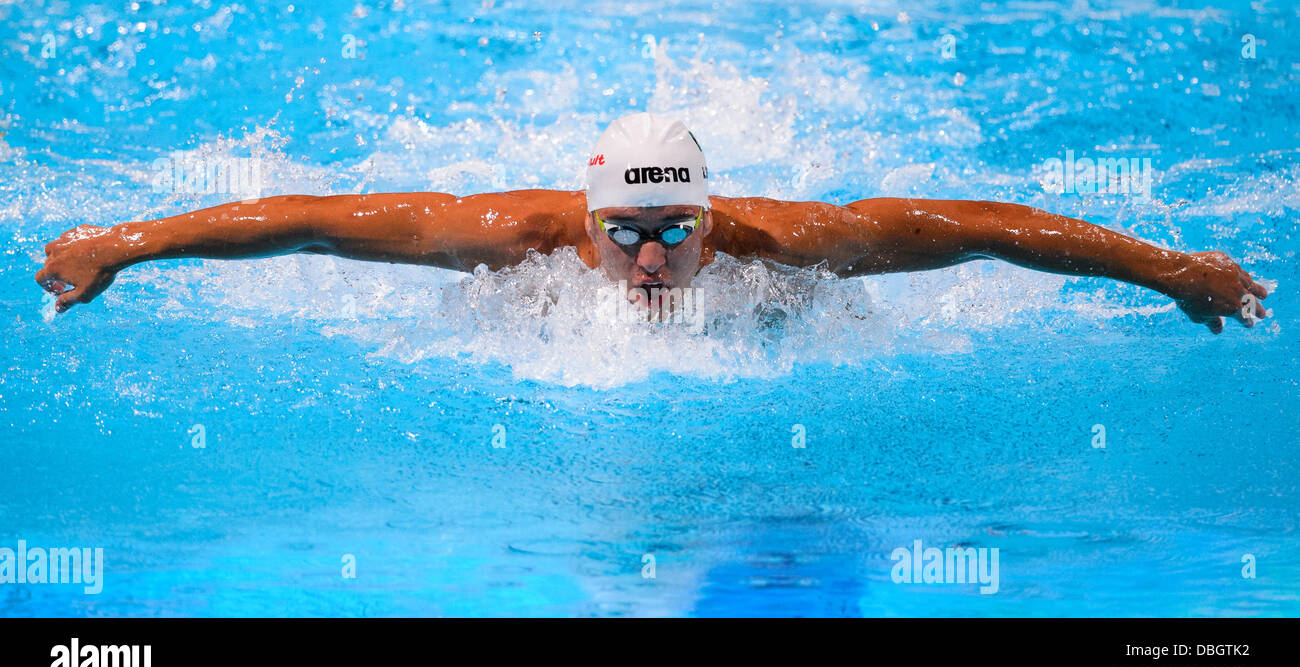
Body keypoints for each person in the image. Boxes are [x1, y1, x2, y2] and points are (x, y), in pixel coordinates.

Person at [35, 112, 1269, 333]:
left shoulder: (785, 241)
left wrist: (1169, 272)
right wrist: (122, 247)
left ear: (707, 214)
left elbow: (991, 228)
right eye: (622, 236)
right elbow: (303, 222)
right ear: (583, 226)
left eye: (674, 232)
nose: (648, 260)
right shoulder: (510, 235)